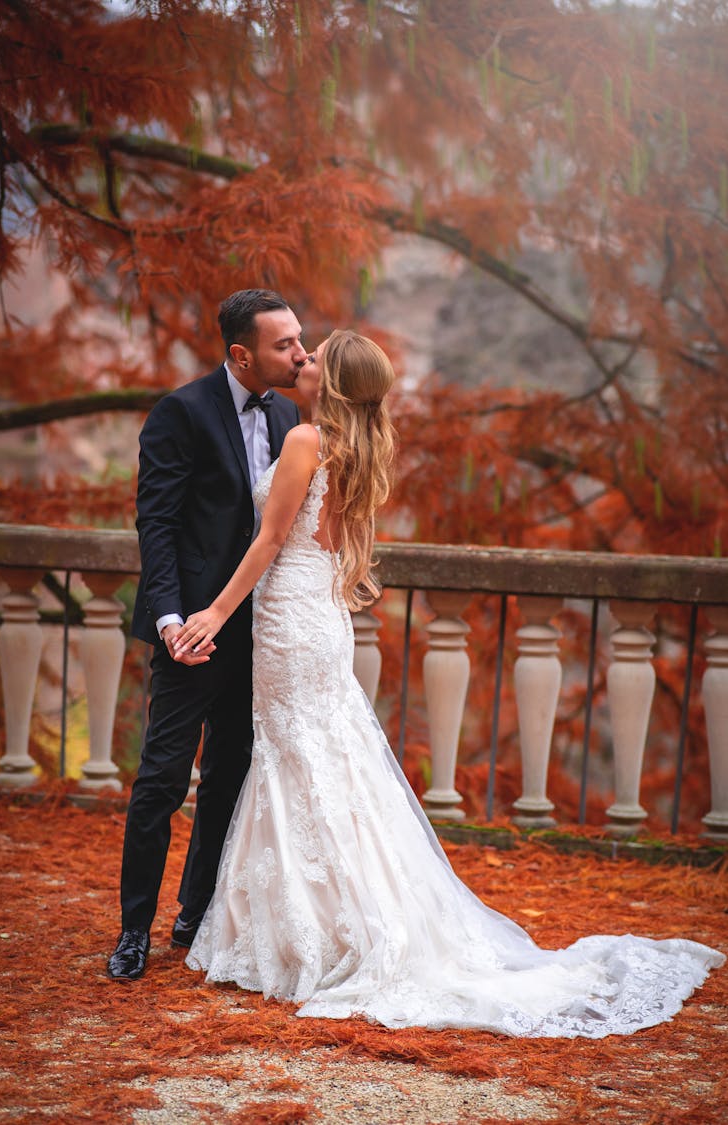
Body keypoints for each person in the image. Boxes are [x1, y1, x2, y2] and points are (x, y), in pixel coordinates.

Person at [176, 329, 723, 1035]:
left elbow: (271, 540)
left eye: (312, 359)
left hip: (288, 615)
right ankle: (326, 921)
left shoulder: (306, 442)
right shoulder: (359, 448)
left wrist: (216, 611)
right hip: (320, 617)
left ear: (332, 384)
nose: (301, 361)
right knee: (320, 760)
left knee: (297, 758)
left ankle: (312, 935)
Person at [107, 289, 306, 982]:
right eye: (284, 345)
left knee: (230, 775)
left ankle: (193, 914)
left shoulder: (291, 417)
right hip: (190, 632)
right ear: (240, 353)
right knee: (161, 778)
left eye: (300, 340)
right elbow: (155, 523)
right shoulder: (181, 412)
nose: (299, 354)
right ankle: (133, 929)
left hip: (262, 634)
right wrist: (170, 621)